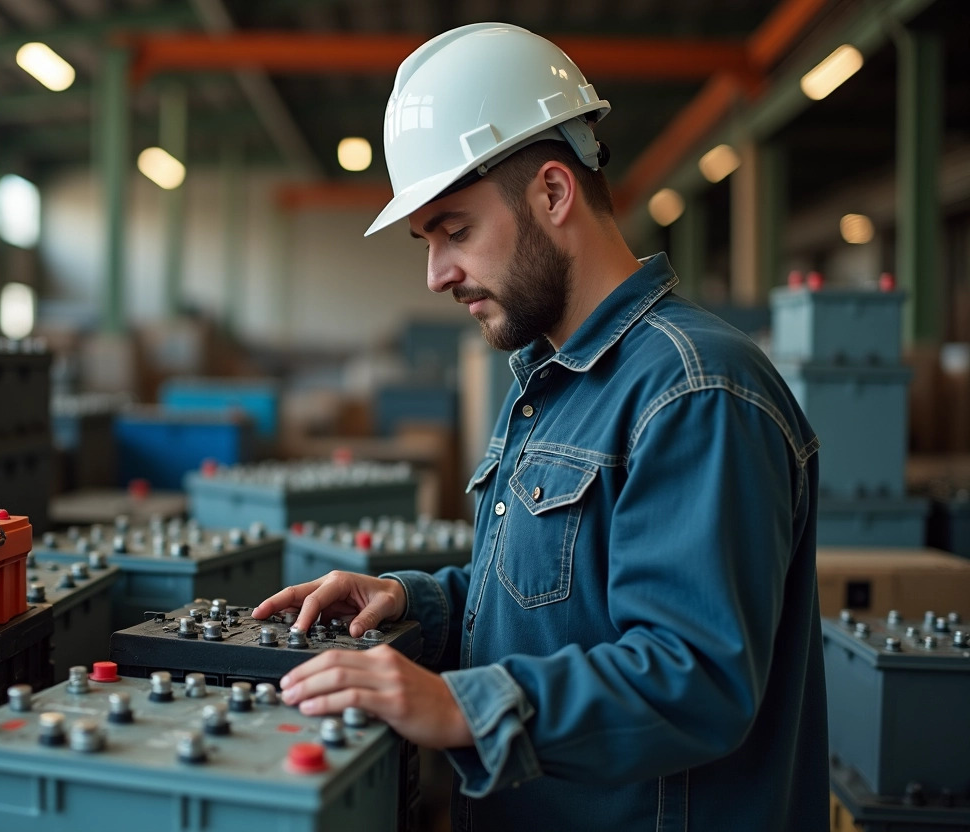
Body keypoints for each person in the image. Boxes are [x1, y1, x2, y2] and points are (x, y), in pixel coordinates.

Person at [253, 22, 828, 832]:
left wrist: (458, 703)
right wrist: (416, 599)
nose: (436, 273)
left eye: (455, 231)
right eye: (427, 241)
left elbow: (696, 676)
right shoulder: (551, 381)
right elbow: (558, 601)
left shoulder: (696, 390)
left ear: (553, 193)